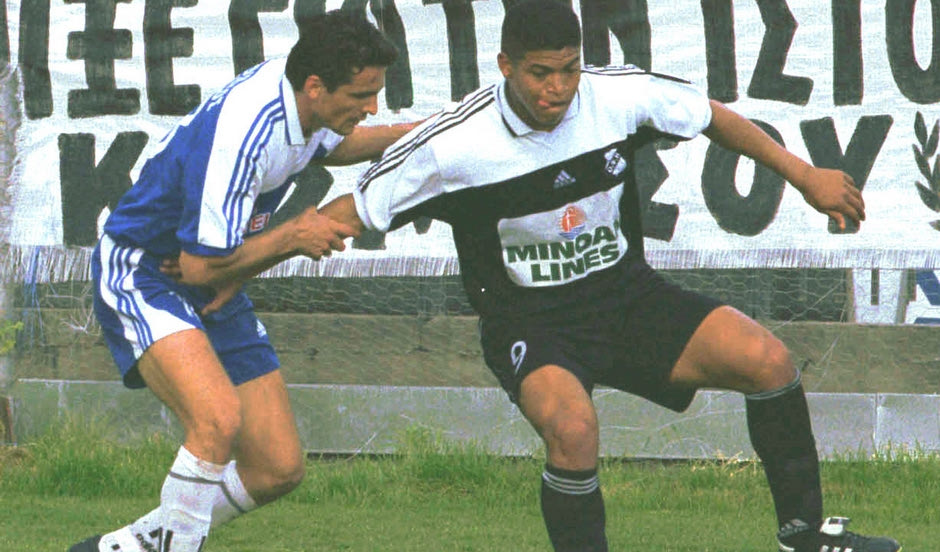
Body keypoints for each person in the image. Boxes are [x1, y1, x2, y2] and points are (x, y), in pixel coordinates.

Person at [319, 2, 902, 551]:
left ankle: (805, 536)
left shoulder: (616, 96)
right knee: (573, 431)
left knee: (767, 361)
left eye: (569, 69)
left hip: (627, 301)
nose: (557, 87)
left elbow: (711, 116)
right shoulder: (453, 144)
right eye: (540, 73)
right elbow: (349, 212)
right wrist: (266, 252)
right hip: (532, 324)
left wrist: (805, 175)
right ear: (505, 66)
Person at [69, 11, 421, 552]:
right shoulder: (246, 130)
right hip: (147, 271)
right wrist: (291, 236)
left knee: (277, 466)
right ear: (315, 86)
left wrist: (421, 135)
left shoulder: (304, 104)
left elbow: (336, 146)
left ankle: (120, 549)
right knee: (216, 421)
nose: (371, 107)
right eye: (362, 95)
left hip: (216, 269)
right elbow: (195, 267)